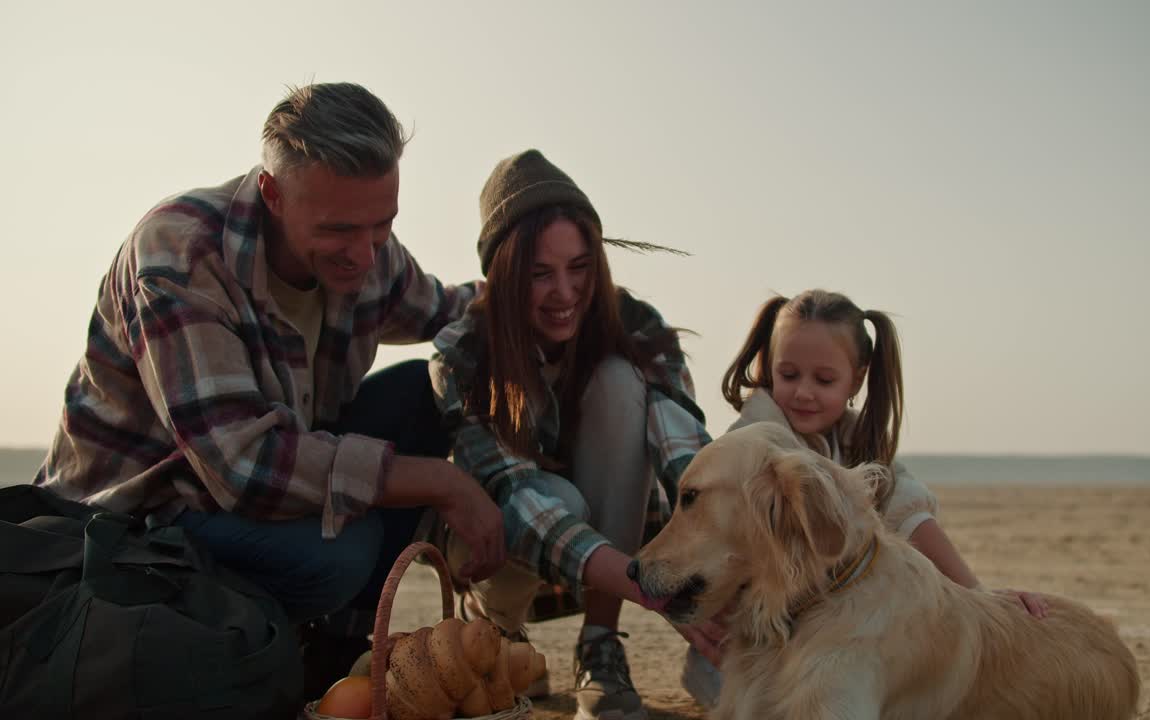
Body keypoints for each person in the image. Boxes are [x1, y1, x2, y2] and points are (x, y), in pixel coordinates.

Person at [32, 82, 506, 700]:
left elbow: (454, 310)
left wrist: (553, 293)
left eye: (382, 225)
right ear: (273, 194)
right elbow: (245, 467)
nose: (365, 256)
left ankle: (335, 660)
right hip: (144, 517)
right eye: (340, 230)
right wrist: (443, 481)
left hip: (255, 489)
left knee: (420, 392)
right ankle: (247, 643)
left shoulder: (370, 252)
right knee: (342, 552)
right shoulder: (181, 253)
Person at [428, 149, 720, 720]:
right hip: (503, 539)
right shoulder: (462, 351)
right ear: (502, 275)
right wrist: (651, 589)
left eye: (580, 267)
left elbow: (683, 451)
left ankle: (599, 644)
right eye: (540, 274)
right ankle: (496, 628)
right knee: (554, 498)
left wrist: (707, 561)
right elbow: (519, 501)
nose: (565, 292)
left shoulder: (635, 324)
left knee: (620, 379)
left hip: (617, 520)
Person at [680, 288, 1050, 708]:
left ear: (856, 379)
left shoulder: (860, 446)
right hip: (741, 651)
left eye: (823, 380)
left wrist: (979, 593)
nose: (803, 392)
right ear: (769, 367)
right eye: (789, 375)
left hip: (823, 640)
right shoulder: (750, 451)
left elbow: (913, 519)